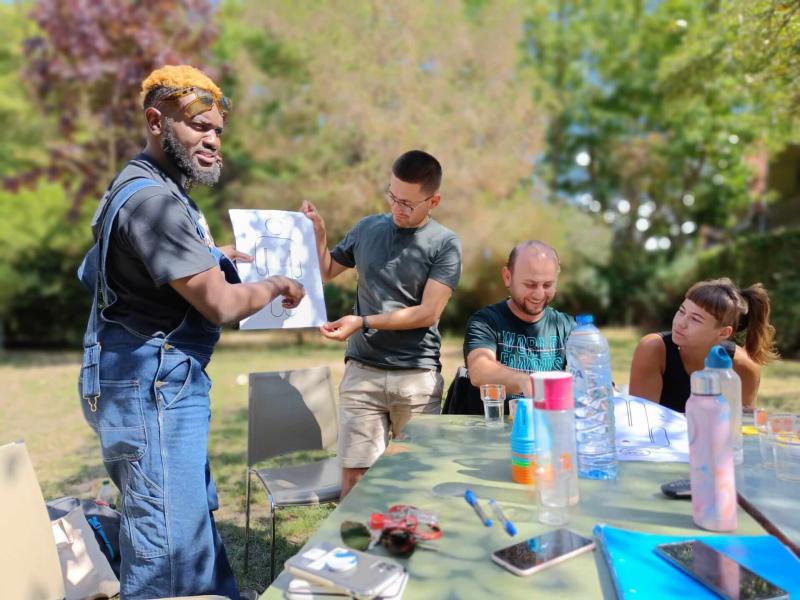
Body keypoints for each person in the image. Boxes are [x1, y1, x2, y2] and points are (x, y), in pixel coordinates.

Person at [78, 65, 305, 599]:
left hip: (145, 382)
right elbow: (223, 303)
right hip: (151, 386)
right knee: (167, 550)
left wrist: (205, 256)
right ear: (156, 121)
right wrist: (273, 283)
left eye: (218, 130)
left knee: (188, 524)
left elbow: (94, 271)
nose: (212, 139)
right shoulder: (154, 201)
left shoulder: (141, 186)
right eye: (198, 125)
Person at [301, 150, 462, 498]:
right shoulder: (366, 228)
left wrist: (362, 321)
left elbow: (427, 313)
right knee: (355, 484)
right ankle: (354, 552)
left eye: (408, 203)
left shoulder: (446, 244)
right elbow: (327, 271)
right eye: (393, 197)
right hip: (362, 373)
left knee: (415, 485)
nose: (397, 208)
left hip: (416, 378)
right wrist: (319, 233)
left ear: (433, 201)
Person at [629, 278, 777, 412]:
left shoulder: (743, 366)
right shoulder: (653, 349)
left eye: (696, 319)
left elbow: (741, 429)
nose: (681, 323)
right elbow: (642, 422)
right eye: (682, 311)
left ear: (724, 332)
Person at [463, 240, 575, 402]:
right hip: (497, 423)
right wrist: (525, 382)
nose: (539, 294)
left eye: (547, 285)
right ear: (508, 277)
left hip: (547, 422)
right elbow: (479, 370)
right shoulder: (485, 322)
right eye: (530, 285)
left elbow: (591, 376)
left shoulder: (567, 327)